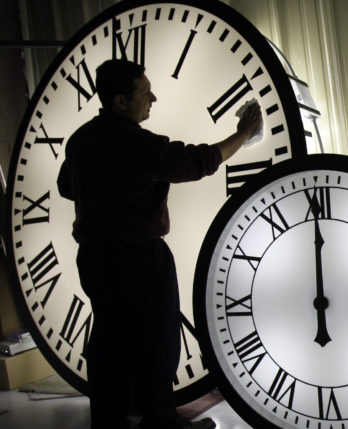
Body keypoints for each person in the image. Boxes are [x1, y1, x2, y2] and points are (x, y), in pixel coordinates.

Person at [57, 59, 261, 429]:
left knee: (108, 341)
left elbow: (65, 186)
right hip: (140, 259)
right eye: (144, 91)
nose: (153, 97)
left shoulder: (81, 140)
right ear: (120, 100)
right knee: (157, 342)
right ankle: (161, 422)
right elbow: (199, 162)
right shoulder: (136, 144)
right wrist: (244, 134)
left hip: (94, 258)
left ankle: (109, 419)